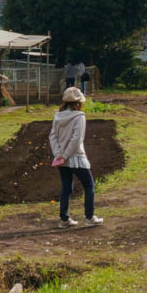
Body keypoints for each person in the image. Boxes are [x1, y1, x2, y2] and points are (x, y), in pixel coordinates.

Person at [49, 86, 101, 227]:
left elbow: (52, 136)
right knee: (89, 185)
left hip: (61, 159)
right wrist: (65, 155)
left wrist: (59, 155)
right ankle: (89, 217)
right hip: (76, 157)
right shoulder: (79, 116)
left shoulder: (57, 116)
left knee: (66, 187)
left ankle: (64, 219)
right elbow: (77, 139)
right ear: (79, 102)